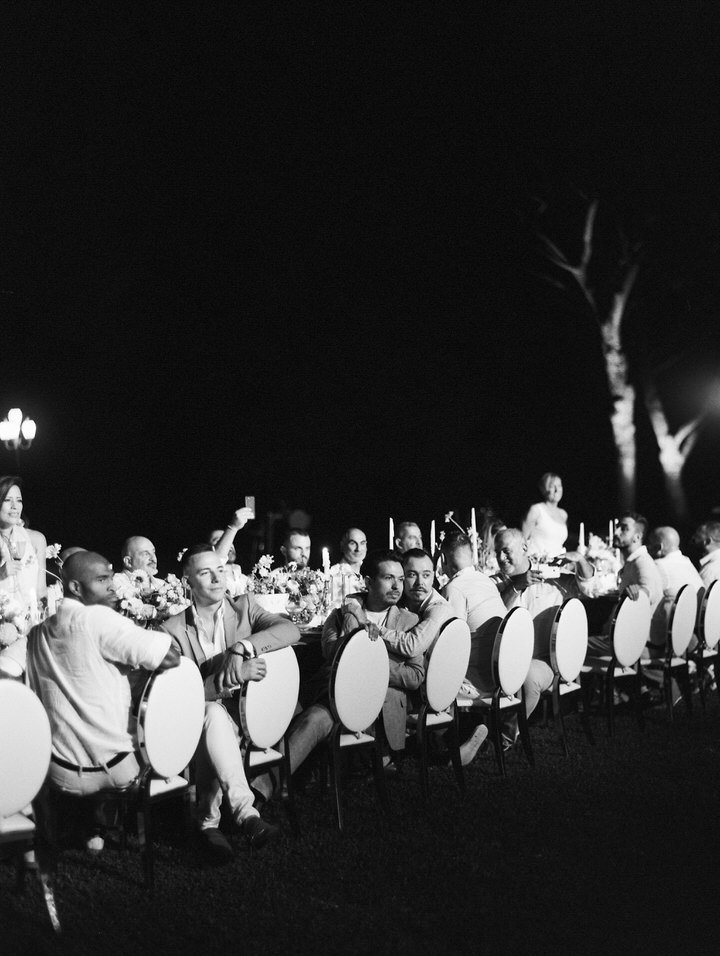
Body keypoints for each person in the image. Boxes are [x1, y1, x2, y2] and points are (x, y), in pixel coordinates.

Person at [25, 551, 180, 852]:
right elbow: (169, 658)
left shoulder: (39, 631)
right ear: (75, 588)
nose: (112, 586)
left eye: (110, 577)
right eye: (101, 580)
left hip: (59, 773)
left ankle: (88, 825)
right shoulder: (98, 618)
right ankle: (178, 821)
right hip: (116, 770)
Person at [161, 544, 301, 858]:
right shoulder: (173, 630)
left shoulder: (245, 608)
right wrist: (236, 676)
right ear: (188, 583)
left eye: (220, 569)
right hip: (193, 723)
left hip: (248, 718)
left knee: (213, 717)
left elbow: (290, 630)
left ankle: (209, 823)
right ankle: (246, 815)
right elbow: (181, 696)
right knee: (210, 714)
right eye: (204, 573)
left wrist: (242, 649)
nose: (216, 578)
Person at [257, 550, 425, 793]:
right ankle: (250, 783)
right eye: (389, 578)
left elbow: (415, 676)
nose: (397, 586)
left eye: (400, 579)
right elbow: (330, 654)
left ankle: (264, 787)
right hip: (328, 691)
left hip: (372, 704)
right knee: (280, 709)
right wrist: (352, 618)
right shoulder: (339, 615)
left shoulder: (409, 621)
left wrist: (370, 666)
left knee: (316, 718)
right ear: (368, 582)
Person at [380, 548, 488, 765]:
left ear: (434, 576)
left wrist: (373, 630)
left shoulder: (438, 608)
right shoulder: (403, 604)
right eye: (412, 575)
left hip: (432, 689)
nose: (420, 582)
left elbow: (412, 646)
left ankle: (384, 756)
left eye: (426, 575)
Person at [495, 528, 595, 724]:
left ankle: (504, 735)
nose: (500, 557)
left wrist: (580, 560)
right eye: (497, 551)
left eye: (506, 551)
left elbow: (588, 587)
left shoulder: (550, 576)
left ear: (524, 547)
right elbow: (493, 613)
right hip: (503, 659)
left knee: (528, 676)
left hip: (545, 660)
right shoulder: (496, 583)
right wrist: (515, 587)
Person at [0, 475, 48, 675]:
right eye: (7, 500)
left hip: (29, 625)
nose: (14, 506)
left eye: (18, 500)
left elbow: (41, 590)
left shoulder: (34, 539)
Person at [647, 526, 703, 651]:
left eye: (649, 545)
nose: (647, 549)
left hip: (665, 644)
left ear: (659, 548)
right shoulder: (688, 562)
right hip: (695, 639)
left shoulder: (657, 566)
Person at [207, 504, 256, 596]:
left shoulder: (246, 580)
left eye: (230, 540)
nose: (229, 544)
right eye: (218, 540)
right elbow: (217, 559)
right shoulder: (209, 579)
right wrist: (232, 528)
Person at [522, 472, 568, 559]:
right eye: (552, 486)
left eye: (559, 486)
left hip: (557, 566)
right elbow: (522, 540)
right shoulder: (536, 510)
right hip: (537, 564)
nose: (556, 490)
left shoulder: (563, 514)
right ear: (544, 489)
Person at [329, 527, 368, 597]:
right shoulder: (333, 574)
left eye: (362, 543)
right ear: (342, 546)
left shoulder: (370, 571)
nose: (358, 549)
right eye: (353, 543)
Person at [692, 521, 720, 589]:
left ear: (707, 541)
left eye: (697, 537)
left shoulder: (709, 570)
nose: (693, 539)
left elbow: (700, 598)